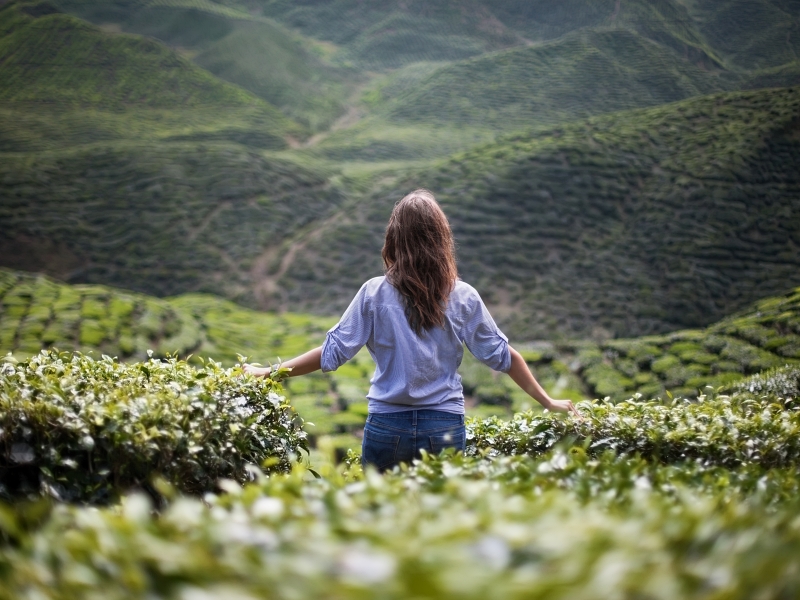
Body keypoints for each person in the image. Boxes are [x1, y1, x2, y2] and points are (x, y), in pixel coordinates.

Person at [244, 189, 580, 471]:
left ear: (394, 238)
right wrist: (547, 401)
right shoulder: (462, 295)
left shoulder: (373, 293)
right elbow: (504, 357)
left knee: (379, 521)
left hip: (387, 426)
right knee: (439, 523)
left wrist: (267, 373)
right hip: (444, 425)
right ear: (441, 239)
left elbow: (331, 355)